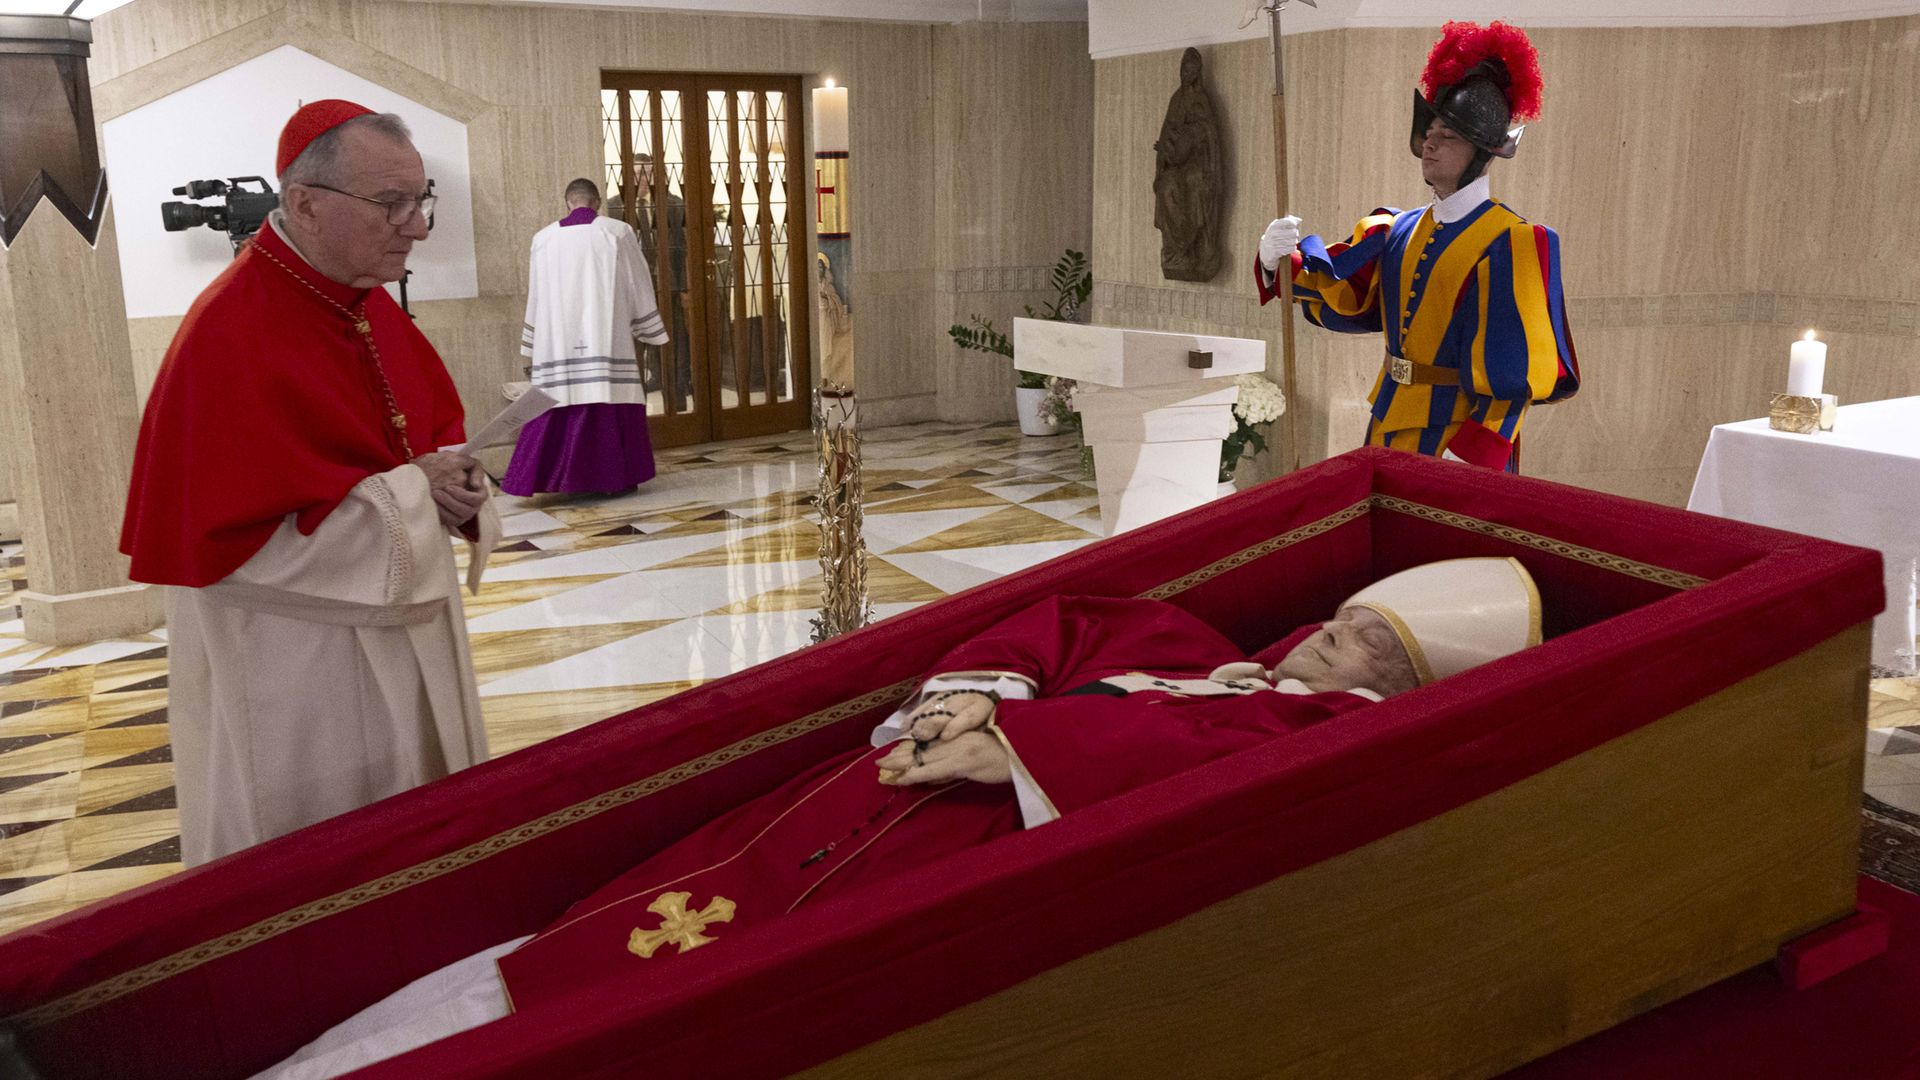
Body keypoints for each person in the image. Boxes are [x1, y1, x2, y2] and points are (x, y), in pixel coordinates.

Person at [254, 558, 1539, 1079]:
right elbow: (1072, 614)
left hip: (947, 862)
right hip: (848, 806)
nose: (1326, 634)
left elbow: (1210, 771)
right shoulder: (1206, 647)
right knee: (579, 942)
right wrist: (972, 701)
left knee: (641, 1014)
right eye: (1343, 611)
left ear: (1401, 687)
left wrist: (1022, 743)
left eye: (1365, 641)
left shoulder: (1331, 734)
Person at [120, 100, 499, 867]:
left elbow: (423, 442)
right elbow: (232, 553)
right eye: (392, 204)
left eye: (420, 200)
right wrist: (408, 497)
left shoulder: (363, 304)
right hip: (298, 660)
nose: (418, 227)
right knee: (326, 858)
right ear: (304, 203)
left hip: (403, 627)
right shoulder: (225, 334)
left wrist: (457, 489)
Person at [1254, 21, 1580, 473]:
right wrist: (1277, 262)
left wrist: (1476, 452)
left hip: (1457, 441)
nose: (1430, 142)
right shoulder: (1396, 229)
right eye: (1431, 131)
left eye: (1448, 136)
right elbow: (1346, 297)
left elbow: (1516, 371)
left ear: (1482, 153)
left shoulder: (1513, 241)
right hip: (1387, 423)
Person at [501, 178, 670, 496]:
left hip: (558, 340)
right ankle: (611, 478)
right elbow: (637, 281)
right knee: (607, 394)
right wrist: (646, 326)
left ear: (568, 203)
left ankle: (554, 479)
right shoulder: (616, 232)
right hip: (604, 335)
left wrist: (533, 339)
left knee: (558, 398)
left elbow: (536, 293)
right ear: (597, 203)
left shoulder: (543, 238)